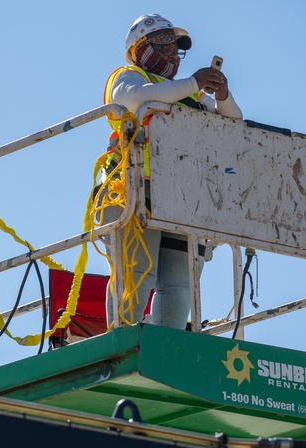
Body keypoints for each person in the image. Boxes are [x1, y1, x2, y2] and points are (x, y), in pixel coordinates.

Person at [99, 14, 243, 330]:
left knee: (180, 283)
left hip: (181, 196)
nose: (171, 56)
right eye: (163, 47)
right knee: (137, 274)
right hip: (135, 189)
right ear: (140, 48)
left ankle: (166, 348)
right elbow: (135, 100)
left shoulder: (189, 95)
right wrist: (192, 83)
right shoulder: (128, 76)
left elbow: (234, 125)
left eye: (175, 50)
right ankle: (122, 343)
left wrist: (221, 95)